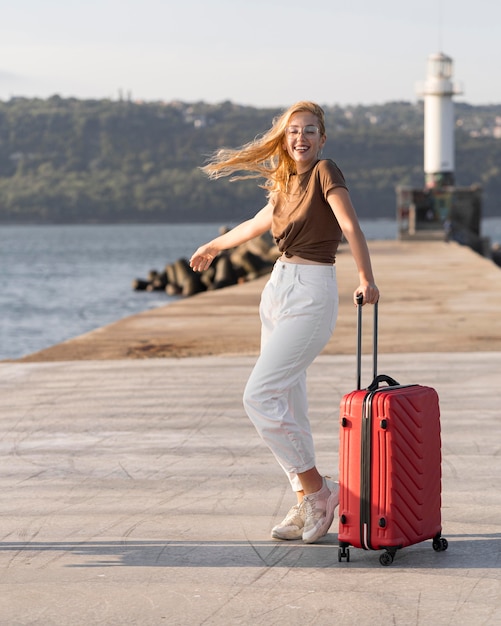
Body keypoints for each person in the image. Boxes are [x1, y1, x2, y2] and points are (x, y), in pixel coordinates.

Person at [190, 101, 379, 544]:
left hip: (313, 290)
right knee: (288, 402)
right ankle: (305, 496)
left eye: (310, 131)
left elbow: (351, 227)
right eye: (294, 131)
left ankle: (320, 491)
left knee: (259, 396)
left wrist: (367, 279)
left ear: (322, 138)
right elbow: (259, 223)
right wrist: (215, 246)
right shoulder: (285, 179)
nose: (301, 138)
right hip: (278, 287)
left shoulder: (325, 172)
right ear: (285, 136)